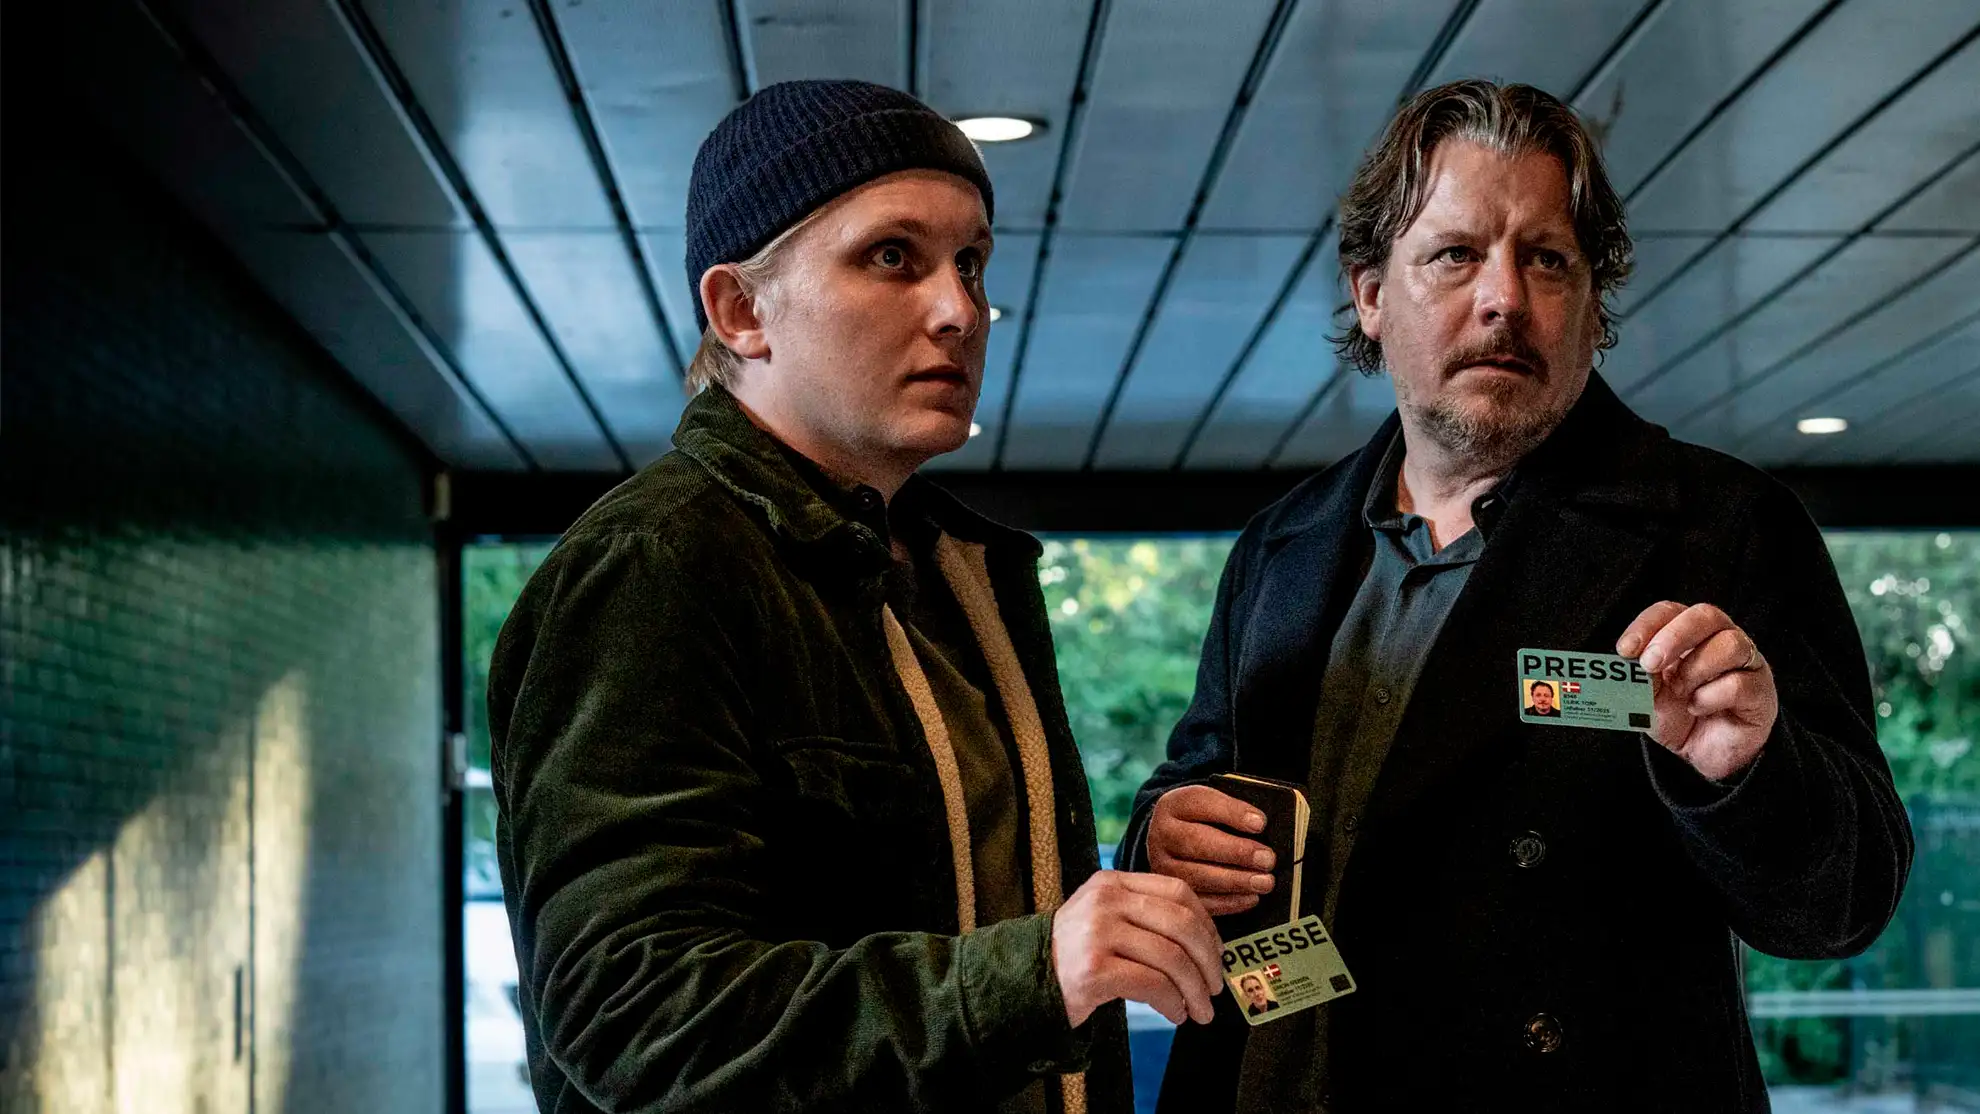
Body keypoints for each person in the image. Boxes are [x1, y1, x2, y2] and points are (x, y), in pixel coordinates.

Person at [1123, 80, 1911, 1112]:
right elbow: (1200, 780)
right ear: (1371, 295)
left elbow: (1840, 907)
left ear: (1591, 307)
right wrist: (1165, 830)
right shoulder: (1282, 544)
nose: (1504, 297)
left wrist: (1746, 772)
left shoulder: (1721, 526)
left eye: (1546, 259)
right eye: (1455, 255)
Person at [488, 80, 1225, 1114]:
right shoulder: (656, 565)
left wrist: (1141, 868)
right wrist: (1031, 975)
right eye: (892, 257)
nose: (960, 308)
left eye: (971, 261)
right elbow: (637, 1011)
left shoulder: (959, 570)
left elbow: (993, 904)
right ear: (742, 311)